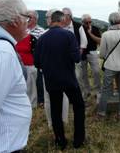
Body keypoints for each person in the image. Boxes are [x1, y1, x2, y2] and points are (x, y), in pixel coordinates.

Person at [34, 10, 85, 150]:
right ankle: (78, 140)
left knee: (55, 110)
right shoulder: (68, 35)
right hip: (68, 79)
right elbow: (76, 58)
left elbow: (37, 62)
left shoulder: (42, 38)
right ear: (62, 20)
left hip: (51, 80)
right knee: (79, 106)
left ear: (51, 21)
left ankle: (60, 141)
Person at [0, 0, 32, 152]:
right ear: (15, 20)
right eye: (26, 17)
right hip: (5, 146)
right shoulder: (1, 51)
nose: (27, 23)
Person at [97, 12, 120, 120]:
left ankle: (101, 113)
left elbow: (102, 54)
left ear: (110, 21)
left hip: (110, 66)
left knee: (106, 89)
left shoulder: (105, 35)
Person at [43, 9, 69, 128]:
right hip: (64, 71)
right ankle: (59, 121)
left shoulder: (43, 35)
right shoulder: (68, 34)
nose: (47, 20)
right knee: (61, 96)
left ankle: (53, 122)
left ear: (52, 19)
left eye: (47, 17)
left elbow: (38, 58)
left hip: (48, 72)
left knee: (50, 97)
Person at [79, 14, 102, 97]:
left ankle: (97, 90)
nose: (89, 24)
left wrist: (90, 33)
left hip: (92, 51)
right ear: (82, 22)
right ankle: (86, 91)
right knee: (83, 74)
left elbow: (99, 41)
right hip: (82, 53)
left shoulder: (95, 28)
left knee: (96, 71)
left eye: (90, 22)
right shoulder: (80, 29)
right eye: (86, 22)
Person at [15, 30, 38, 108]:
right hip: (18, 65)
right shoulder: (14, 38)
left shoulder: (31, 38)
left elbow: (36, 51)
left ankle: (33, 103)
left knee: (31, 86)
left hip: (30, 65)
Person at [28, 10, 45, 107]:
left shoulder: (41, 31)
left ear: (35, 19)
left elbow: (43, 47)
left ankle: (40, 100)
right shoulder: (23, 30)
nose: (27, 19)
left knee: (38, 80)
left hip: (36, 60)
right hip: (23, 61)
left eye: (29, 17)